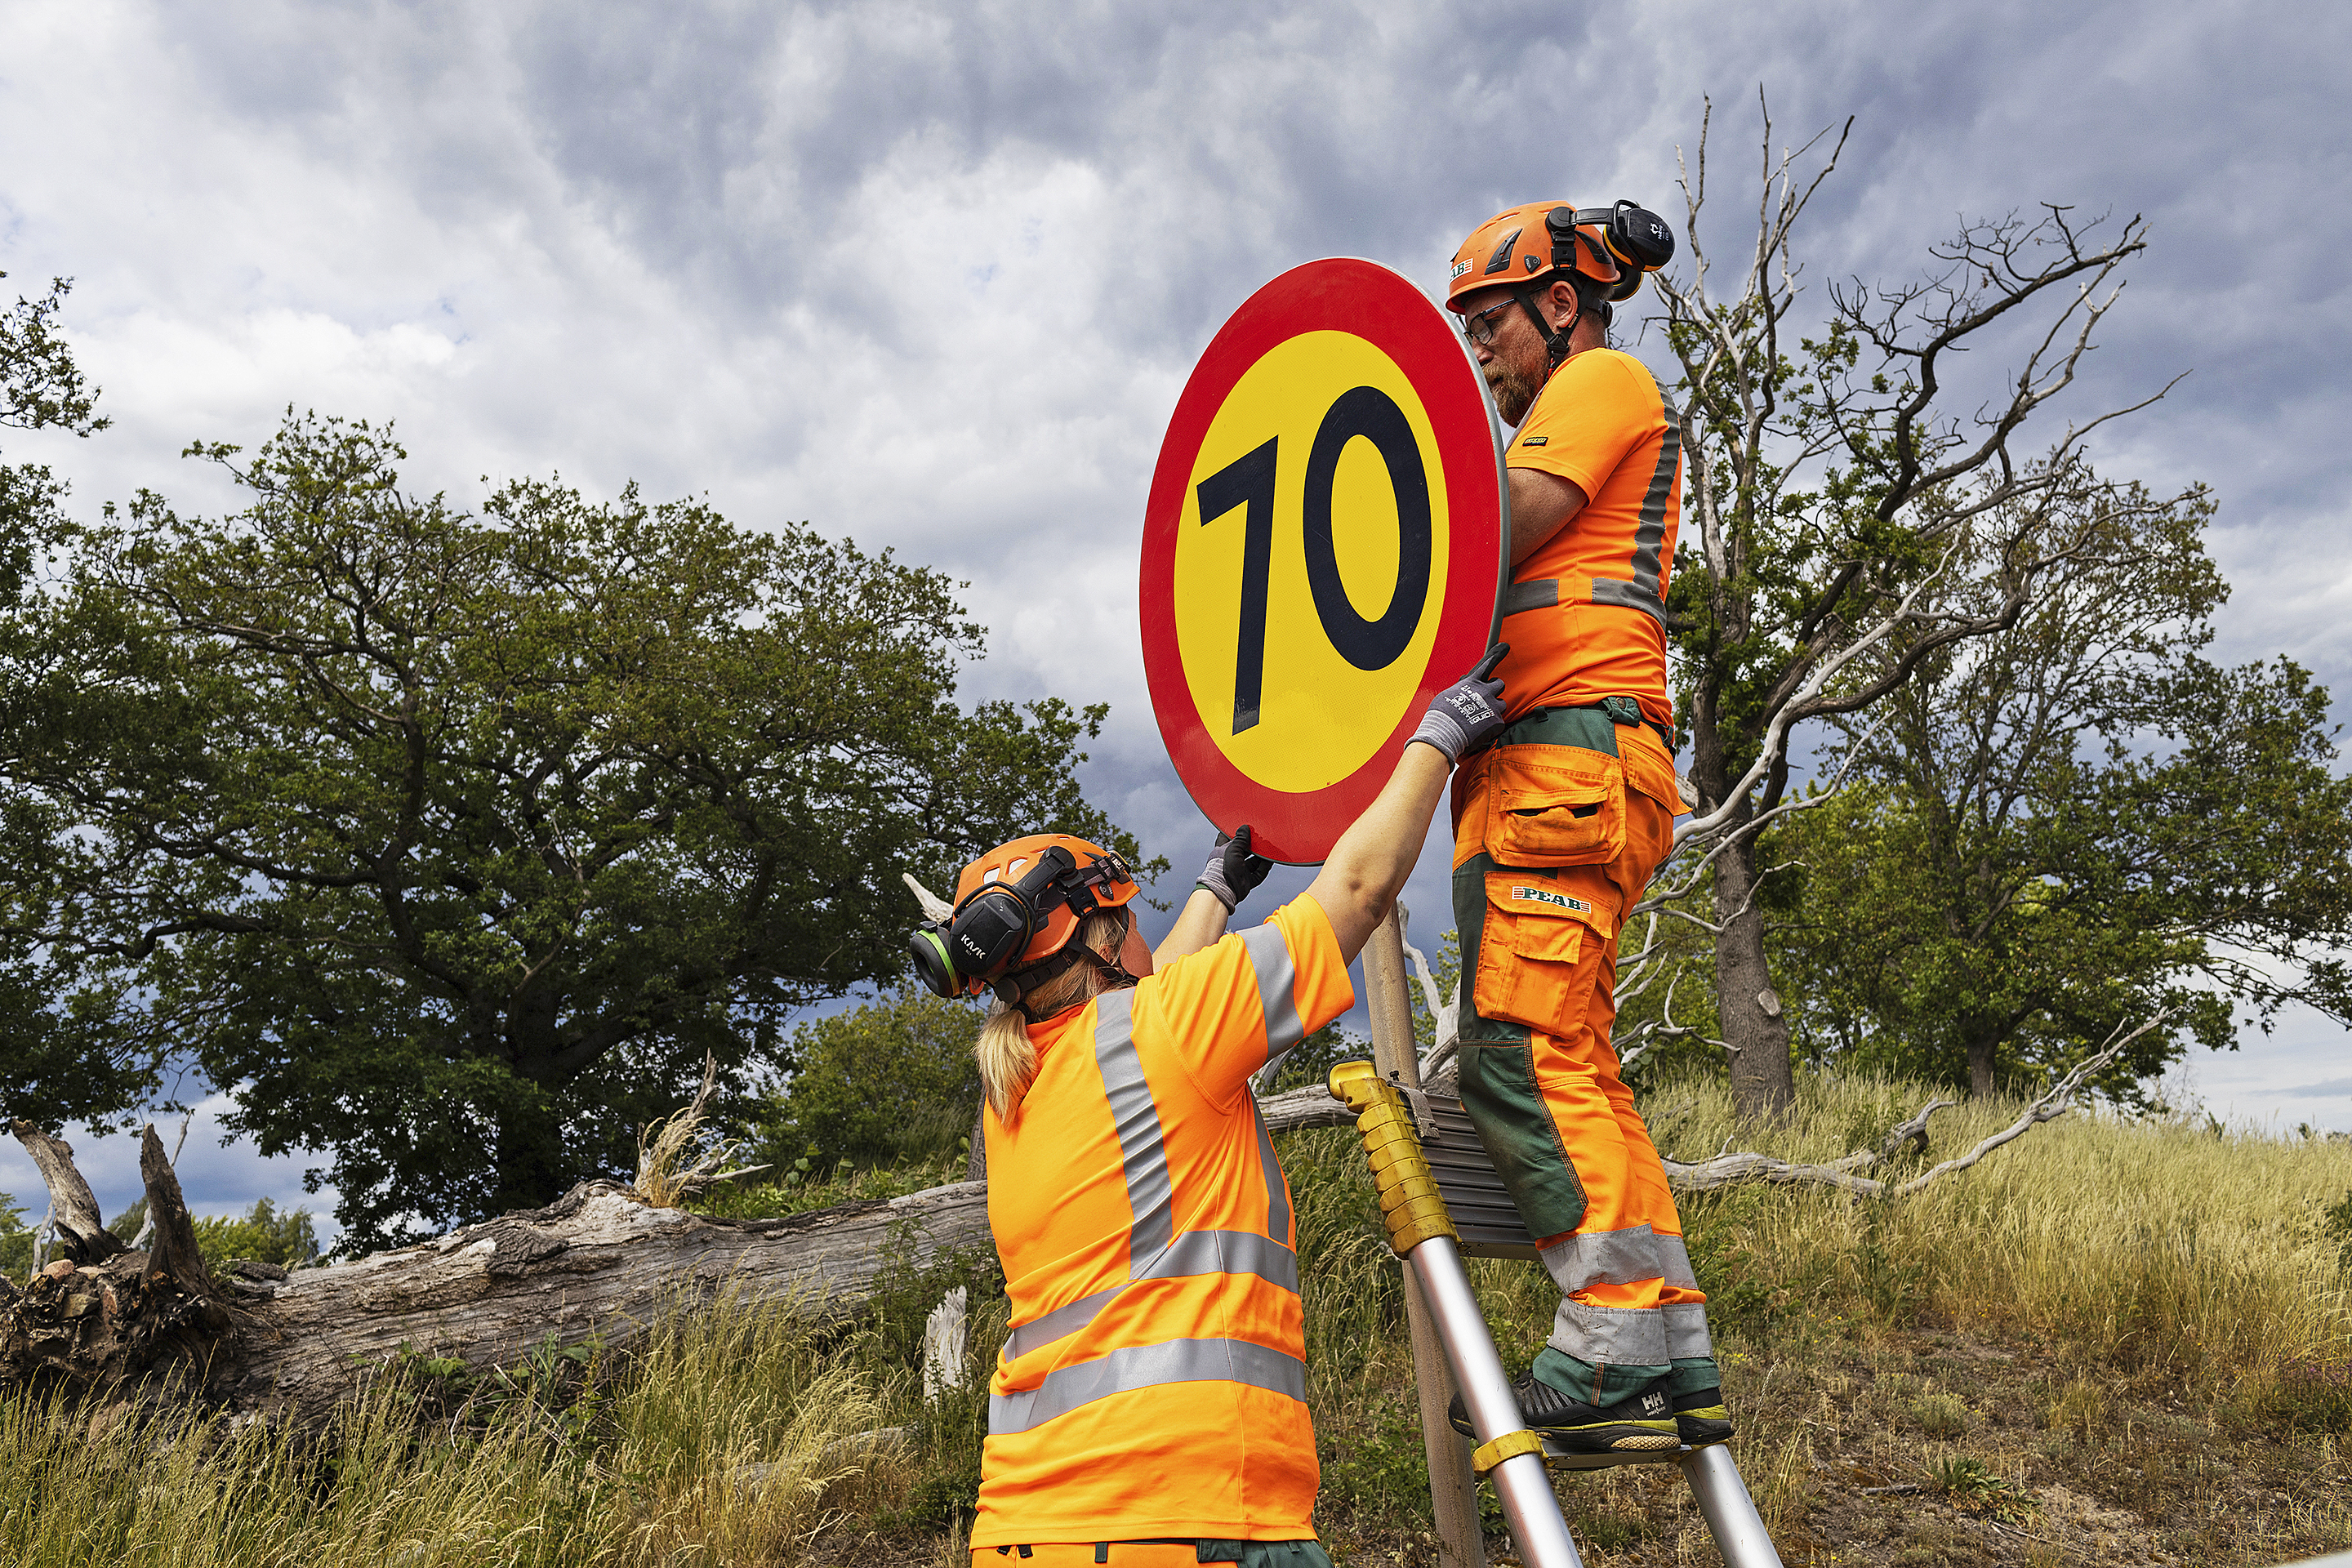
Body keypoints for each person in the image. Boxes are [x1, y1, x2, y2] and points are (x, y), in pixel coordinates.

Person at [914, 657, 1508, 1568]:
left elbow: (1155, 1002)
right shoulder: (1169, 1029)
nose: (1149, 928)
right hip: (1189, 1517)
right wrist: (1439, 734)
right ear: (1104, 934)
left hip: (1027, 1528)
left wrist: (1218, 889)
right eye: (1130, 912)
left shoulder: (1014, 1086)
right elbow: (1357, 894)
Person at [1436, 201, 1732, 1453]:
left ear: (1562, 304)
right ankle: (1669, 1349)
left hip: (1563, 762)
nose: (1480, 354)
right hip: (1569, 766)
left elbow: (1489, 532)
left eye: (1490, 323)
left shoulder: (1602, 378)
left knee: (1518, 1050)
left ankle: (1605, 1345)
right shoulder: (1581, 384)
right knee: (1577, 1058)